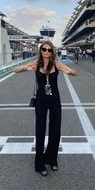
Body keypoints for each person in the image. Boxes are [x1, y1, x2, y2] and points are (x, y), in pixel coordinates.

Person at [13, 41, 77, 176]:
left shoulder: (56, 64)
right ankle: (39, 163)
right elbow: (15, 70)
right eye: (44, 49)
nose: (46, 52)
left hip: (55, 98)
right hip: (41, 99)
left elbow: (75, 73)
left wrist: (68, 70)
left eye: (49, 50)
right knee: (40, 129)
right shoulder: (36, 64)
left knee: (55, 128)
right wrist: (25, 68)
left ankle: (52, 159)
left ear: (52, 51)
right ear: (40, 50)